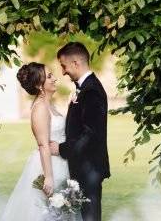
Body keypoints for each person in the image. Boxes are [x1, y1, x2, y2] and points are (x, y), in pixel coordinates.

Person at [1, 62, 81, 221]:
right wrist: (49, 177)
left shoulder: (48, 105)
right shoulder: (40, 108)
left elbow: (57, 130)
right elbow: (43, 144)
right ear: (39, 84)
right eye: (49, 76)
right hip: (49, 166)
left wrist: (70, 107)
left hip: (60, 162)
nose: (55, 78)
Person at [50, 42, 110, 221]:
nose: (63, 72)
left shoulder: (91, 91)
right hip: (83, 167)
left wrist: (62, 150)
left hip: (89, 169)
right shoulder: (85, 88)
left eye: (64, 66)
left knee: (90, 217)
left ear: (75, 62)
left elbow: (90, 135)